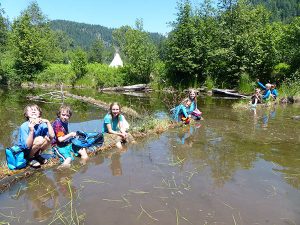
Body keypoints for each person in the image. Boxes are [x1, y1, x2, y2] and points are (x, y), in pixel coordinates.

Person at [18, 104, 55, 168]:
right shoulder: (24, 126)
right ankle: (28, 159)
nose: (33, 111)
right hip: (25, 152)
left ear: (39, 114)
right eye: (31, 110)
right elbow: (27, 146)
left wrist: (48, 122)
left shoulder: (42, 124)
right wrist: (31, 131)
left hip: (35, 149)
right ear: (26, 114)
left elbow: (52, 136)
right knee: (40, 139)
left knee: (48, 138)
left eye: (35, 110)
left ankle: (37, 156)